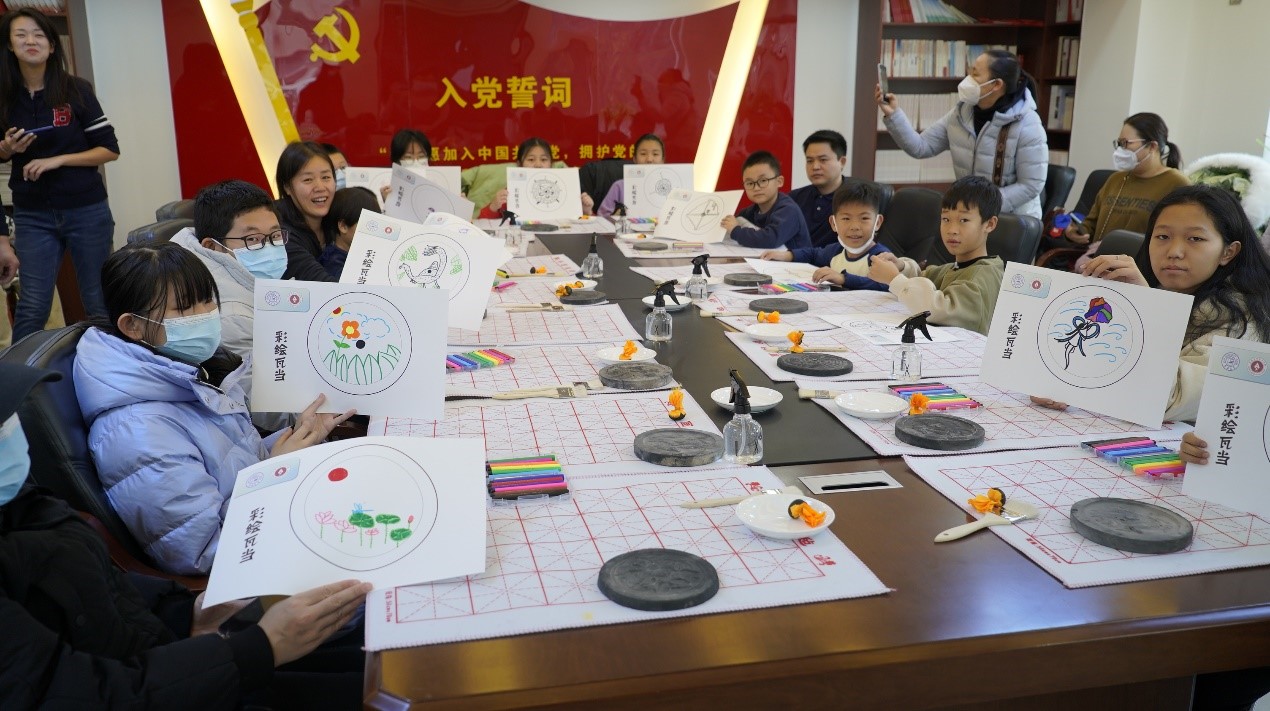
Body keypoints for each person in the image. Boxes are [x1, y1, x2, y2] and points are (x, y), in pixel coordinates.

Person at [0, 362, 370, 709]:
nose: (14, 433)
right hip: (174, 679)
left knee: (370, 659)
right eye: (2, 428)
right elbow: (89, 694)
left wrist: (186, 614)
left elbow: (101, 583)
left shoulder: (24, 503)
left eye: (12, 419)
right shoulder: (138, 428)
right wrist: (262, 646)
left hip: (180, 652)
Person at [73, 242, 353, 575]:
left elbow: (233, 463)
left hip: (276, 526)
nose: (205, 314)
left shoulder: (187, 375)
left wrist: (301, 434)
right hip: (250, 572)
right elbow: (204, 549)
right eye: (185, 308)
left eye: (208, 300)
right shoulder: (137, 431)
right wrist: (276, 470)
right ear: (132, 325)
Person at [1034, 185, 1270, 423]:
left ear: (1228, 252)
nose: (1174, 252)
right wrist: (1064, 385)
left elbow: (1167, 400)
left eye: (1195, 239)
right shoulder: (1159, 291)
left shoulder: (1242, 318)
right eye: (1163, 237)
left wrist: (1145, 307)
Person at [1, 8, 120, 341]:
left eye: (39, 34)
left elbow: (109, 149)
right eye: (21, 34)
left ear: (52, 46)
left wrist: (58, 160)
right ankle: (21, 373)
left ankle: (110, 365)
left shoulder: (76, 90)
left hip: (86, 209)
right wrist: (6, 149)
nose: (30, 41)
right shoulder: (5, 96)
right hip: (32, 214)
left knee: (97, 300)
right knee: (33, 305)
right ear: (10, 45)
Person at [170, 179, 292, 433]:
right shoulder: (230, 313)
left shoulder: (197, 248)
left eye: (275, 235)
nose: (269, 248)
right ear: (212, 246)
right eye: (253, 239)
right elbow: (271, 408)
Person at [877, 48, 1046, 219]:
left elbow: (1031, 185)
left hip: (1013, 220)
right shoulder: (961, 113)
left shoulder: (1027, 123)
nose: (967, 79)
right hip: (971, 216)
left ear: (996, 85)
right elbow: (921, 147)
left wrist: (983, 206)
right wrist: (893, 114)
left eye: (975, 74)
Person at [867, 176, 1005, 335]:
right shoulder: (956, 267)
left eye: (964, 220)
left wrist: (894, 279)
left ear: (990, 224)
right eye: (946, 219)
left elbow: (938, 310)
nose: (952, 230)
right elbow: (922, 277)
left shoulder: (984, 275)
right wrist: (900, 267)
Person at [1066, 113, 1188, 271]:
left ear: (1152, 146)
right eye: (1119, 143)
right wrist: (1074, 232)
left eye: (1125, 143)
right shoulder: (1115, 180)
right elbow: (1090, 225)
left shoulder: (1177, 184)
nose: (1120, 150)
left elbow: (1176, 238)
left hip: (1140, 271)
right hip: (1096, 266)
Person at [760, 178, 891, 291]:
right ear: (833, 223)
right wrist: (786, 255)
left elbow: (886, 284)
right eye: (846, 218)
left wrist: (843, 278)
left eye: (864, 218)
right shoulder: (836, 251)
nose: (855, 227)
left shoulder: (881, 257)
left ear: (878, 222)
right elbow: (813, 254)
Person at [479, 137, 594, 218]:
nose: (538, 165)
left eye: (544, 160)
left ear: (551, 164)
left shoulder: (566, 190)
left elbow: (587, 226)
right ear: (519, 164)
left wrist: (586, 211)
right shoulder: (512, 193)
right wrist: (493, 206)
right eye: (531, 159)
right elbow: (481, 223)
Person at [722, 150, 812, 251]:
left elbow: (770, 239)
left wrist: (735, 231)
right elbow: (735, 220)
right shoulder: (751, 211)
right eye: (750, 183)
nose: (756, 188)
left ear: (779, 181)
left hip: (798, 261)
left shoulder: (789, 210)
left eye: (763, 181)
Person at [275, 141, 338, 282]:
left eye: (326, 177)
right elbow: (323, 285)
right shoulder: (280, 234)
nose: (320, 187)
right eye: (308, 179)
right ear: (287, 187)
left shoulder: (339, 217)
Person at [788, 129, 850, 248]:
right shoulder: (793, 199)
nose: (815, 167)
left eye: (823, 160)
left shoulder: (856, 200)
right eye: (809, 161)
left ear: (842, 162)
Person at [597, 133, 664, 219]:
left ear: (662, 160)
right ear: (635, 159)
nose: (649, 159)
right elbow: (602, 217)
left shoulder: (673, 188)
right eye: (643, 154)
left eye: (655, 154)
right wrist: (616, 217)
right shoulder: (619, 186)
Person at [319, 186, 380, 280]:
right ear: (343, 226)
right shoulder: (333, 263)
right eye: (367, 226)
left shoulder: (358, 253)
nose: (373, 232)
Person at [381, 129, 431, 201]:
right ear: (397, 161)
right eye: (408, 157)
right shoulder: (386, 188)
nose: (416, 162)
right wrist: (387, 202)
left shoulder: (437, 183)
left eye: (421, 156)